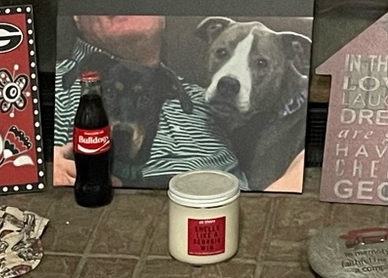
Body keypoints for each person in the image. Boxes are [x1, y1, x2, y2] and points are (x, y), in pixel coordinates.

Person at [52, 15, 244, 189]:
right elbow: (22, 162)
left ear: (163, 18)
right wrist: (38, 173)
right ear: (77, 17)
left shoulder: (215, 97)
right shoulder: (37, 83)